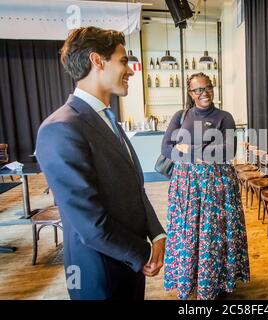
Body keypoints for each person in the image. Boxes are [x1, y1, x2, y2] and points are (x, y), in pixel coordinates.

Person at [35, 26, 166, 300]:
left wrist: (156, 235)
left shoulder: (107, 119)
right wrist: (143, 253)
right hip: (99, 273)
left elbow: (134, 188)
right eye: (123, 61)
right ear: (97, 61)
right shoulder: (60, 128)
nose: (130, 70)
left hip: (129, 265)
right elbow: (89, 223)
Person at [161, 72, 250, 300]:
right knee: (188, 233)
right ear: (190, 94)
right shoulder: (181, 116)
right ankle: (190, 279)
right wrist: (200, 153)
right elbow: (166, 148)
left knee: (215, 235)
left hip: (218, 187)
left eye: (208, 87)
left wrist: (187, 149)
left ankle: (216, 282)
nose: (204, 93)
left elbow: (228, 151)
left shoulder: (225, 117)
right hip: (185, 187)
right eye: (198, 89)